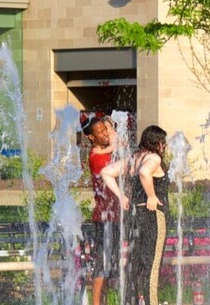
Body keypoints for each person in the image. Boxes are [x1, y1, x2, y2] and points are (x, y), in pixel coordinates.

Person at [120, 126, 171, 305]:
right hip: (153, 216)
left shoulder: (134, 158)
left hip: (136, 216)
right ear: (157, 142)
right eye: (163, 142)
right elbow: (144, 172)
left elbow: (107, 172)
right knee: (152, 266)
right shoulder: (154, 158)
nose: (164, 147)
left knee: (134, 265)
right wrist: (151, 196)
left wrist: (121, 196)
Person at [83, 113, 122, 304]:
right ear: (91, 137)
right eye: (100, 131)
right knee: (102, 264)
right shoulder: (96, 157)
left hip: (113, 216)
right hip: (104, 217)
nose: (105, 133)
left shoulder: (105, 152)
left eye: (105, 129)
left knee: (107, 265)